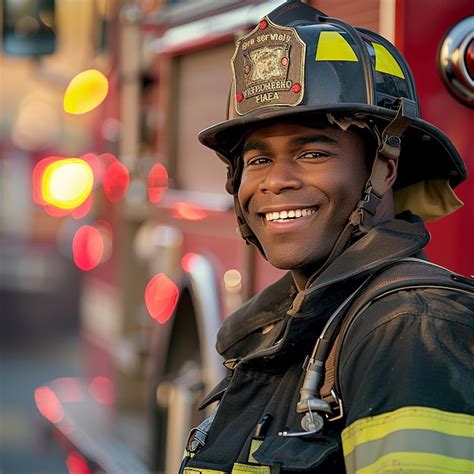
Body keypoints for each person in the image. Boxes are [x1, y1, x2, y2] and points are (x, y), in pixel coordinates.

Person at [179, 1, 474, 473]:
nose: (276, 181)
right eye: (257, 161)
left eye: (313, 152)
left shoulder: (411, 327)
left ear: (384, 170)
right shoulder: (294, 326)